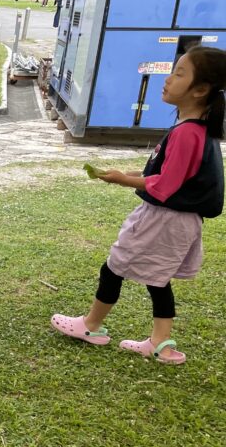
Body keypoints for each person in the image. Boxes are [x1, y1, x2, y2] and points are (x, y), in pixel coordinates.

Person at [50, 46, 226, 364]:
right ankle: (161, 345)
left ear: (200, 90)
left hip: (164, 218)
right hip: (179, 220)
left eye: (179, 73)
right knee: (157, 280)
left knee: (114, 267)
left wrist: (121, 179)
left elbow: (164, 186)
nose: (168, 79)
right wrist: (122, 174)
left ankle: (91, 326)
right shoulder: (196, 131)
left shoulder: (187, 134)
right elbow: (163, 174)